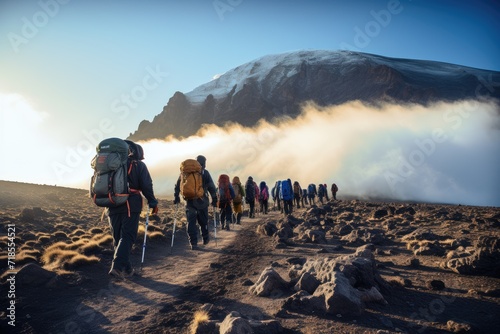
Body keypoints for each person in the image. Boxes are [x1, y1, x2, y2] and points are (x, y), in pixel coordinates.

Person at [108, 140, 158, 279]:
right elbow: (146, 185)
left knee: (118, 238)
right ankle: (117, 268)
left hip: (112, 204)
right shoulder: (138, 165)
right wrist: (153, 202)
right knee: (128, 236)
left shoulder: (111, 165)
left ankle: (128, 269)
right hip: (130, 205)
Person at [174, 155, 217, 250]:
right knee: (203, 221)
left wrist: (176, 196)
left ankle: (193, 243)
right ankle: (205, 237)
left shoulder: (186, 172)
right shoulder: (205, 173)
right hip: (202, 201)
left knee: (191, 222)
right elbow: (211, 187)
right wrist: (214, 199)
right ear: (204, 163)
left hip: (189, 201)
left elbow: (178, 185)